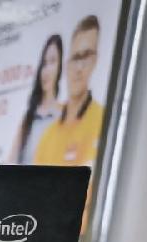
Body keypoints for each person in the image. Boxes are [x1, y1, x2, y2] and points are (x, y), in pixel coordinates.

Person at [34, 16, 105, 169]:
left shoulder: (102, 121)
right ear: (66, 65)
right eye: (76, 57)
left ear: (95, 61)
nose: (79, 68)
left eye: (86, 56)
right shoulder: (47, 137)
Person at [8, 34, 64, 165]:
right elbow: (11, 162)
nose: (46, 70)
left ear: (60, 66)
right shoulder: (29, 118)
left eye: (52, 62)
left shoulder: (63, 115)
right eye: (44, 63)